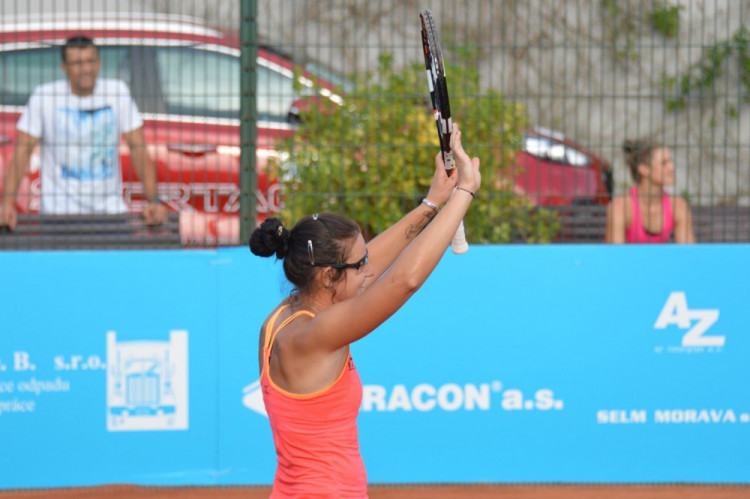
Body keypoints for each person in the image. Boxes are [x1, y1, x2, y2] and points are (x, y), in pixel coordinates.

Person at [248, 124, 480, 497]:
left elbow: (372, 267)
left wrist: (432, 203)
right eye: (359, 265)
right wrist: (465, 192)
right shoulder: (314, 336)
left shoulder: (281, 321)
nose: (370, 270)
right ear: (326, 276)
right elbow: (403, 280)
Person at [0, 35, 167, 230]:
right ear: (64, 67)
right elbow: (22, 152)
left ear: (99, 63)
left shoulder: (117, 92)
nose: (86, 69)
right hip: (59, 216)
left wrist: (154, 199)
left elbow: (138, 149)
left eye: (91, 61)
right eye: (78, 63)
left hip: (109, 214)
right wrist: (6, 204)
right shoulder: (44, 97)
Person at [605, 139, 695, 243]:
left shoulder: (678, 206)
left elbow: (688, 254)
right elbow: (615, 256)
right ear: (643, 169)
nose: (672, 167)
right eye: (664, 163)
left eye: (670, 161)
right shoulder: (621, 207)